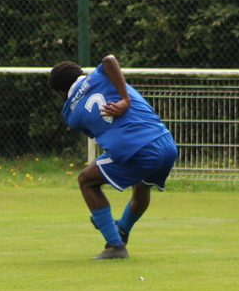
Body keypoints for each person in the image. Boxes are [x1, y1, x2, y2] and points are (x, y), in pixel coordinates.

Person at [49, 54, 178, 260]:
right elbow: (109, 60)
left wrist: (123, 102)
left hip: (138, 151)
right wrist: (126, 99)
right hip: (167, 144)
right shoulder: (101, 74)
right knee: (142, 186)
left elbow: (100, 132)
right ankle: (122, 229)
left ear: (61, 93)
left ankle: (115, 245)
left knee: (86, 180)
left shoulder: (70, 115)